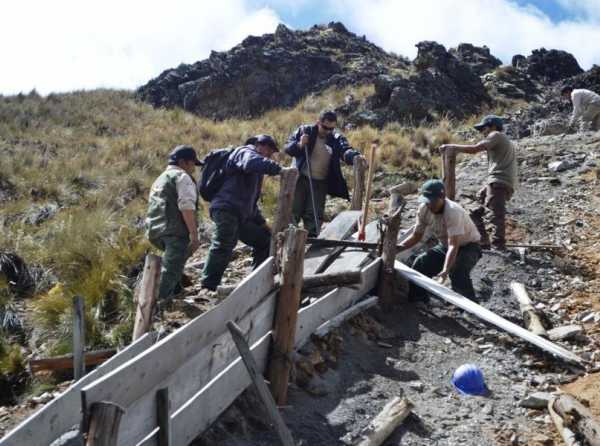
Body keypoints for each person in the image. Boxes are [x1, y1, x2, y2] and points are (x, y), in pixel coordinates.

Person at [201, 135, 283, 291]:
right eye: (269, 151)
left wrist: (263, 224)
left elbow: (250, 205)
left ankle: (254, 280)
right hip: (226, 208)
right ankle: (208, 286)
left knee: (264, 241)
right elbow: (250, 162)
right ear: (259, 145)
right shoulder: (245, 152)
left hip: (240, 214)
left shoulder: (255, 171)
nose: (270, 155)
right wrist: (279, 169)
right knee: (224, 243)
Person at [439, 115, 517, 250]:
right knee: (476, 211)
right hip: (499, 180)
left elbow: (475, 149)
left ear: (492, 126)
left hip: (499, 180)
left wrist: (452, 147)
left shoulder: (496, 135)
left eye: (483, 128)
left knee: (496, 213)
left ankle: (499, 245)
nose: (482, 132)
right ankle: (483, 241)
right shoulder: (501, 140)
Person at [398, 179, 482, 301]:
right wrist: (396, 248)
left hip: (468, 247)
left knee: (457, 272)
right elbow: (416, 236)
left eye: (432, 201)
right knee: (421, 263)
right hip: (445, 246)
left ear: (442, 197)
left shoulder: (453, 212)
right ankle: (418, 299)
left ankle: (471, 310)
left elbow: (454, 245)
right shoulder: (424, 209)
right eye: (426, 201)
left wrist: (445, 270)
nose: (429, 205)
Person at [285, 110, 362, 237]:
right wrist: (299, 144)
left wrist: (355, 157)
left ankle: (312, 246)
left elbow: (345, 150)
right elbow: (288, 148)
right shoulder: (305, 131)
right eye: (325, 127)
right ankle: (288, 242)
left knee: (314, 215)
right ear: (318, 122)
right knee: (293, 211)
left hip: (320, 182)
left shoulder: (336, 138)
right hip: (301, 179)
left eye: (331, 128)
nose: (327, 131)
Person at [145, 145, 202, 301]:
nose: (193, 169)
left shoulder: (160, 179)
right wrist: (194, 235)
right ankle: (157, 307)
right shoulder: (182, 177)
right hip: (175, 232)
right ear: (183, 162)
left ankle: (174, 295)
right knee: (170, 270)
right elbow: (187, 207)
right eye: (192, 164)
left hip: (156, 231)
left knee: (174, 264)